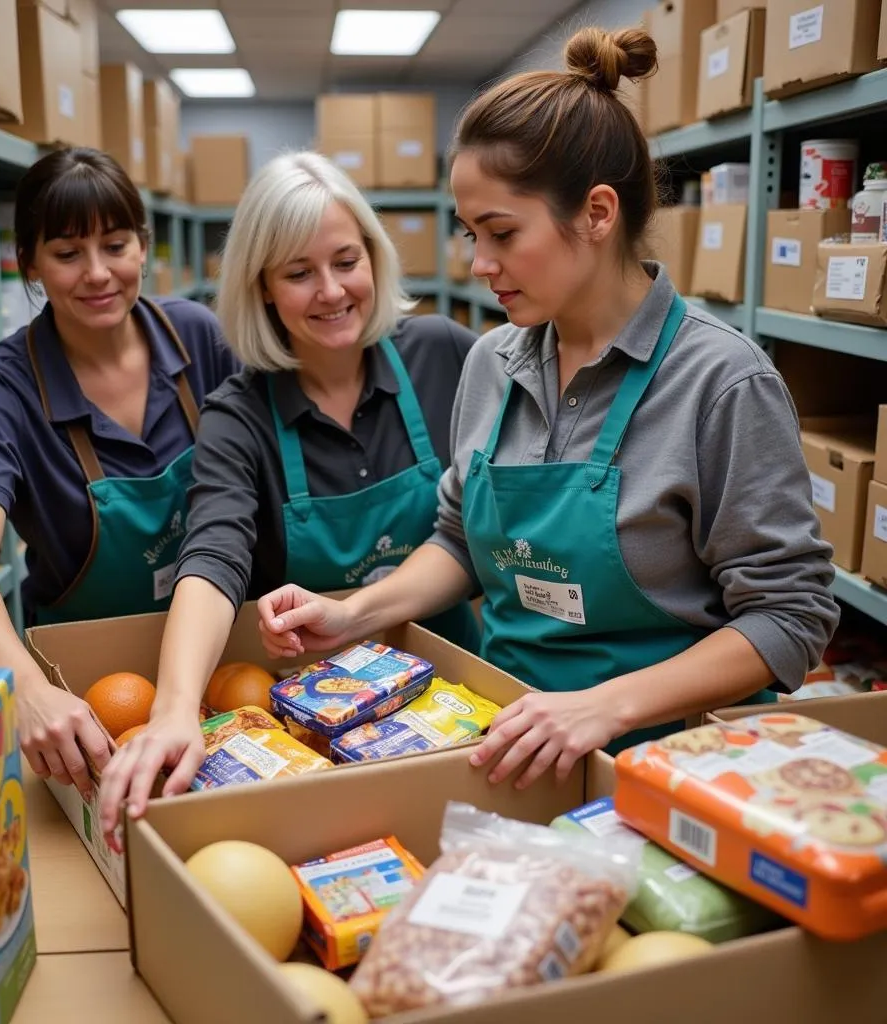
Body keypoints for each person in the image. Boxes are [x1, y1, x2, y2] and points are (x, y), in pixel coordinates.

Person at [253, 27, 840, 790]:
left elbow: (790, 618)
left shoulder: (721, 382)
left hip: (670, 766)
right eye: (471, 233)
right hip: (509, 741)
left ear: (597, 214)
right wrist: (356, 612)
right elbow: (461, 542)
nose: (479, 264)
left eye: (501, 233)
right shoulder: (493, 361)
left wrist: (604, 707)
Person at [96, 151, 479, 833]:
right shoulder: (238, 414)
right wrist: (178, 706)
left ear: (373, 256)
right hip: (313, 734)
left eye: (345, 260)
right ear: (264, 287)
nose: (331, 291)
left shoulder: (445, 354)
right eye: (299, 273)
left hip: (454, 705)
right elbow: (213, 556)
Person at [0, 148, 240, 800]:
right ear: (29, 263)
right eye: (68, 253)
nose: (99, 274)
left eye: (117, 245)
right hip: (85, 700)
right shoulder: (2, 388)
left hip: (219, 662)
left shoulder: (198, 339)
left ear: (143, 245)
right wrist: (29, 691)